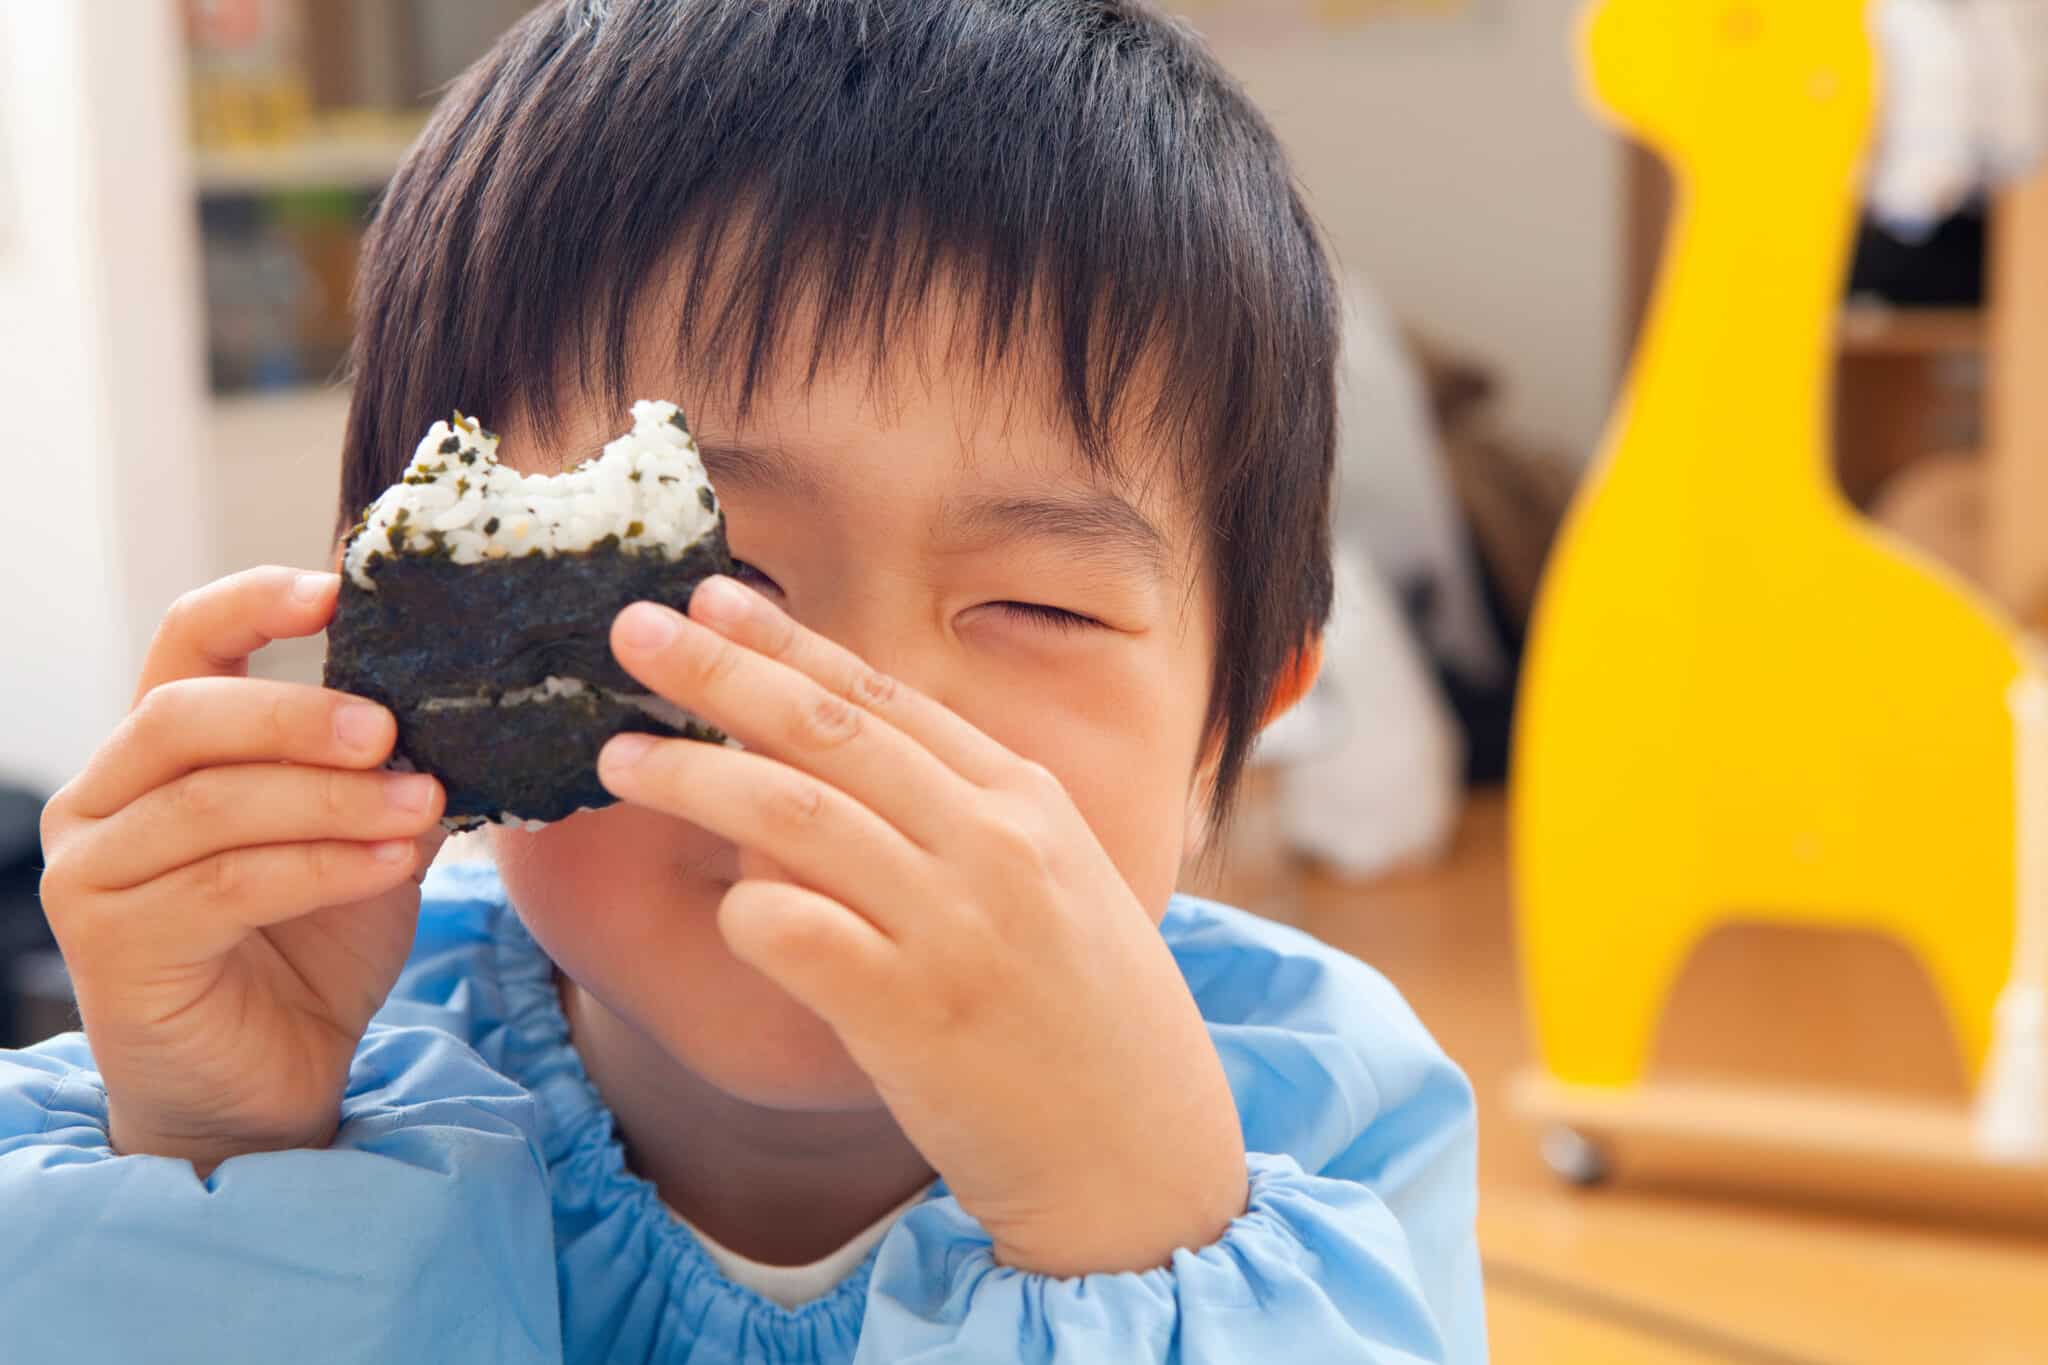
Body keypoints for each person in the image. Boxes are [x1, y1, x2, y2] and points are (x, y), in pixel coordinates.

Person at [5, 1, 1484, 1359]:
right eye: (719, 577)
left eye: (1036, 602)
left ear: (1236, 716)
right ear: (434, 608)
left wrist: (1136, 1237)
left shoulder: (1328, 1125)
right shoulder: (331, 1056)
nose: (845, 706)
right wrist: (234, 1150)